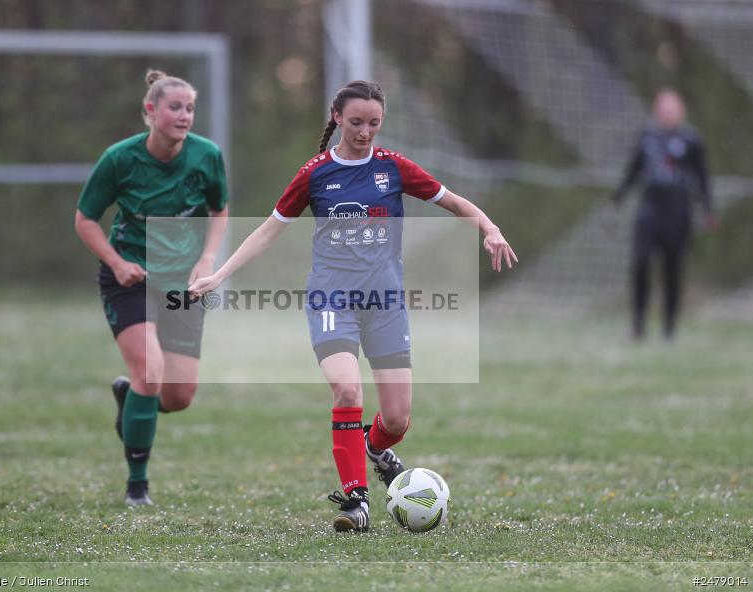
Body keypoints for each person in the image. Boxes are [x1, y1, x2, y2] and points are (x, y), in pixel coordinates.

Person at [189, 80, 516, 532]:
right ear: (337, 117)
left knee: (397, 419)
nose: (365, 132)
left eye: (374, 124)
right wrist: (220, 275)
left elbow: (456, 202)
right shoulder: (315, 173)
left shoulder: (394, 168)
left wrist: (489, 227)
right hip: (331, 300)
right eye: (357, 122)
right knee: (347, 392)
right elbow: (269, 228)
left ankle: (375, 448)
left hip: (385, 305)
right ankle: (356, 502)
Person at [75, 70, 229, 506]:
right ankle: (136, 485)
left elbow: (220, 209)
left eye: (190, 108)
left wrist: (205, 259)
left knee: (178, 397)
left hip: (183, 282)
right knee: (150, 372)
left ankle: (131, 399)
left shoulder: (206, 156)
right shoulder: (120, 159)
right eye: (175, 107)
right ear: (150, 111)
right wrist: (118, 262)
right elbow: (84, 220)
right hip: (131, 279)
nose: (185, 116)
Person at [612, 88, 715, 340]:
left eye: (673, 109)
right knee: (640, 262)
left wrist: (708, 209)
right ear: (657, 111)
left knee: (672, 268)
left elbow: (702, 177)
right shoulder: (647, 136)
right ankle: (638, 326)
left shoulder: (691, 140)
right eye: (664, 109)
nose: (668, 114)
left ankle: (669, 328)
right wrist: (617, 199)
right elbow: (633, 171)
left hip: (677, 210)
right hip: (649, 208)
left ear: (681, 112)